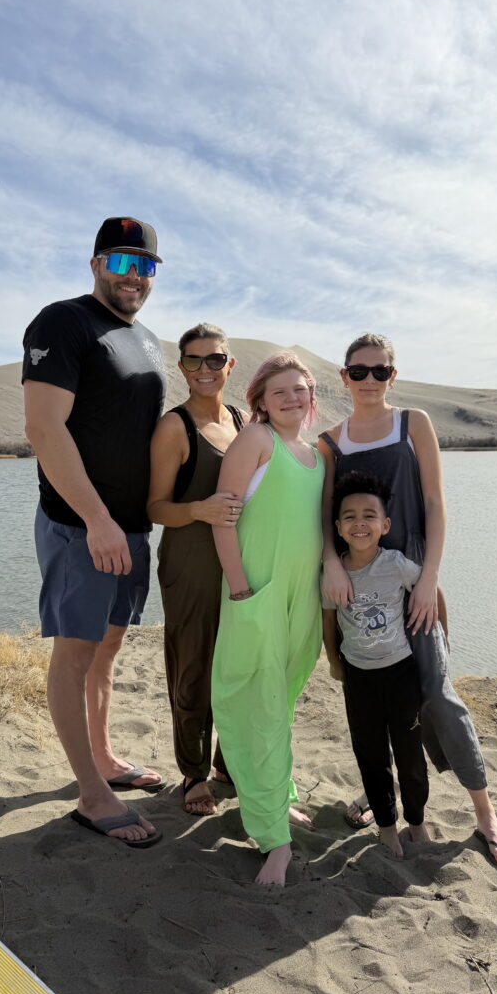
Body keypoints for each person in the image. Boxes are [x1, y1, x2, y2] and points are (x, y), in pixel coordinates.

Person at [319, 334, 497, 869]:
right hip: (360, 587)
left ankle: (485, 813)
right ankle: (380, 795)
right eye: (358, 371)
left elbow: (434, 502)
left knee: (437, 692)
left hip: (413, 581)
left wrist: (429, 577)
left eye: (379, 371)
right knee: (376, 697)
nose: (368, 380)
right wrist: (332, 563)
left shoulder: (414, 424)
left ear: (393, 374)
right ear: (344, 377)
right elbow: (324, 516)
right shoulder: (330, 442)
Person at [22, 217, 166, 847]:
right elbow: (44, 428)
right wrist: (97, 520)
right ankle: (90, 793)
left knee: (107, 650)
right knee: (75, 654)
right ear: (96, 264)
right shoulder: (64, 322)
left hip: (130, 529)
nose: (134, 276)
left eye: (146, 266)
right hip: (81, 525)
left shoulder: (147, 340)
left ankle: (104, 758)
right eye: (123, 262)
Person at [211, 352, 324, 886]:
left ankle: (277, 797)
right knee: (257, 707)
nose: (291, 398)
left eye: (299, 389)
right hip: (257, 593)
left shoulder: (316, 455)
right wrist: (240, 591)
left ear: (311, 396)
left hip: (303, 600)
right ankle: (273, 835)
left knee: (280, 704)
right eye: (279, 391)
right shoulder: (256, 440)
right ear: (260, 400)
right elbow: (223, 520)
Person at [147, 324, 244, 816]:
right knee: (194, 667)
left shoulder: (243, 420)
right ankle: (193, 772)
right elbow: (155, 507)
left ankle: (229, 764)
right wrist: (199, 510)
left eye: (214, 359)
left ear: (230, 365)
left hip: (238, 564)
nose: (204, 369)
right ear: (181, 367)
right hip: (190, 562)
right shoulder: (174, 427)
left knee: (238, 663)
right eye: (193, 360)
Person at [322, 473, 429, 859]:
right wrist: (334, 661)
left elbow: (430, 592)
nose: (359, 523)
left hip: (401, 673)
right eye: (349, 516)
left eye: (369, 516)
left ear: (385, 525)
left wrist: (442, 643)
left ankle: (416, 821)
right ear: (338, 527)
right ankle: (386, 826)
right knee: (371, 756)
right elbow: (328, 620)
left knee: (410, 756)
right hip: (358, 677)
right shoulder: (333, 574)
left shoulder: (396, 564)